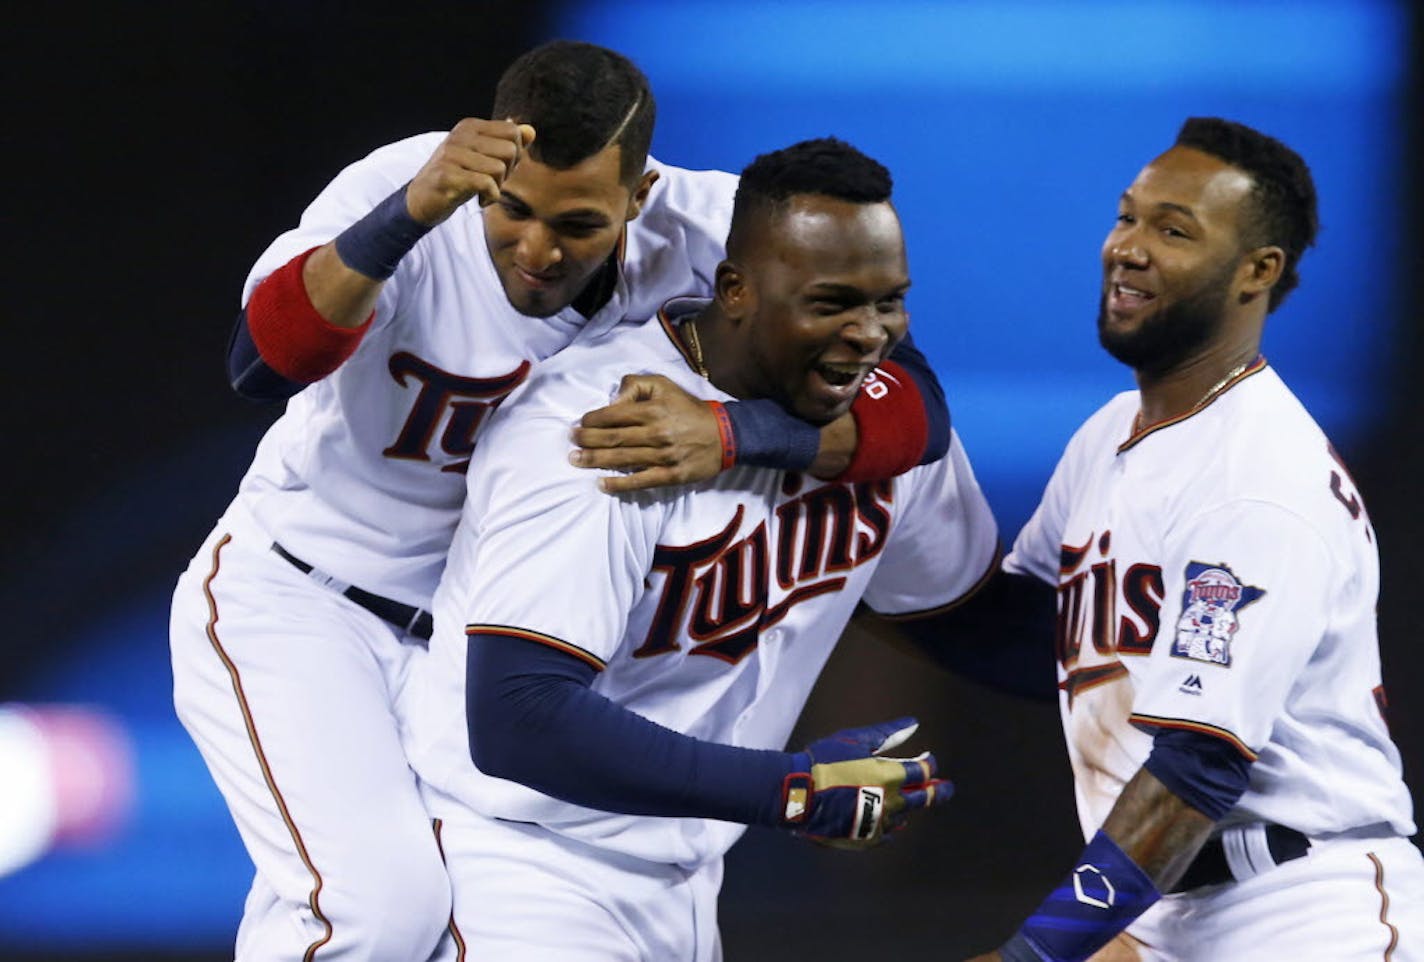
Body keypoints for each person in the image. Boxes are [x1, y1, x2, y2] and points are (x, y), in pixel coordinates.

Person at [168, 40, 951, 962]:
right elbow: (262, 363)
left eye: (578, 222)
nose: (537, 249)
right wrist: (410, 215)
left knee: (432, 925)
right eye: (514, 209)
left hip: (462, 638)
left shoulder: (706, 227)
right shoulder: (405, 187)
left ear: (640, 196)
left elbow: (917, 410)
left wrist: (740, 436)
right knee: (373, 912)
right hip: (307, 596)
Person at [401, 137, 998, 961]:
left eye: (888, 303)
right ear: (735, 289)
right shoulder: (604, 428)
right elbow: (518, 719)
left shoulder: (867, 431)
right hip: (514, 866)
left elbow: (982, 623)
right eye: (830, 303)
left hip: (680, 879)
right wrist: (789, 789)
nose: (868, 335)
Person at [950, 118, 1424, 961]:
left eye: (1173, 230)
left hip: (1304, 908)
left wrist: (1040, 951)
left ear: (1257, 272)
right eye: (1127, 216)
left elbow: (1198, 769)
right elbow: (1029, 640)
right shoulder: (1111, 434)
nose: (1128, 247)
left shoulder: (1256, 480)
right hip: (1163, 900)